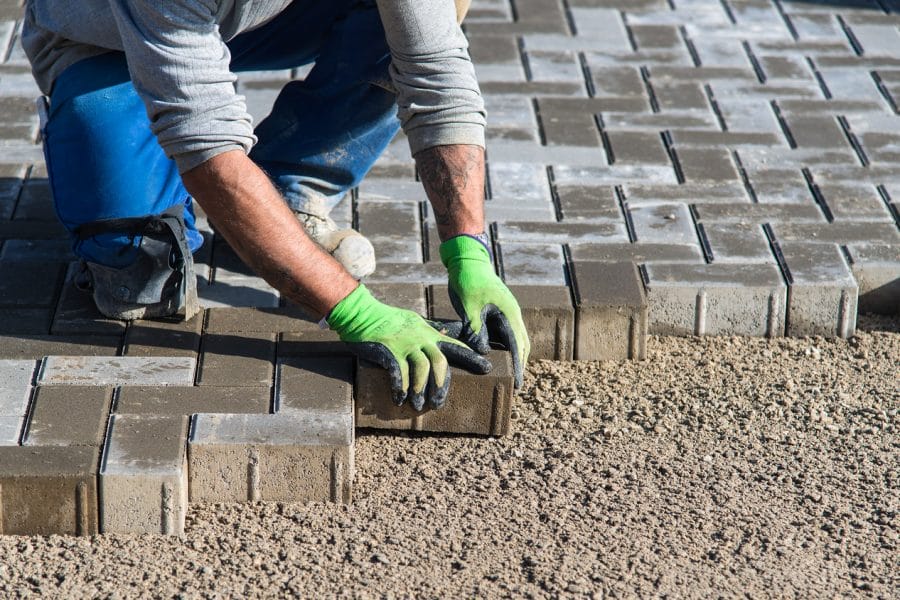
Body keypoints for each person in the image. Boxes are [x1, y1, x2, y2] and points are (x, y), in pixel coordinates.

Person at [21, 0, 530, 411]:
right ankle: (103, 144)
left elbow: (436, 70)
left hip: (250, 19)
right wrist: (356, 313)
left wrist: (469, 253)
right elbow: (208, 149)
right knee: (140, 274)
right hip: (102, 38)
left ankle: (287, 190)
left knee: (416, 16)